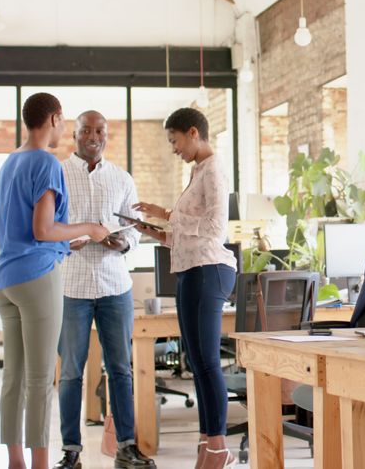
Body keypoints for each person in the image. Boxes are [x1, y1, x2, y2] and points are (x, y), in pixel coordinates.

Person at [0, 93, 110, 469]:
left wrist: (64, 242)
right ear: (56, 118)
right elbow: (42, 230)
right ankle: (41, 464)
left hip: (4, 280)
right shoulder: (46, 162)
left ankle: (15, 462)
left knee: (14, 375)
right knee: (41, 378)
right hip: (37, 278)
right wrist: (91, 227)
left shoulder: (10, 162)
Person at [134, 108, 238, 469]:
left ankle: (218, 448)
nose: (174, 149)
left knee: (208, 362)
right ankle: (209, 441)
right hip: (191, 270)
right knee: (197, 362)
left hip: (209, 270)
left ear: (193, 133)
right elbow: (187, 236)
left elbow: (214, 229)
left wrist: (166, 212)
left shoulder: (215, 169)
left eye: (174, 140)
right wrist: (153, 231)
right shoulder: (197, 171)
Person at [53, 111, 155, 469]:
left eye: (99, 131)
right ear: (75, 135)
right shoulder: (59, 174)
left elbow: (135, 230)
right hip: (71, 286)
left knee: (121, 369)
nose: (93, 136)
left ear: (106, 135)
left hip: (115, 286)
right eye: (86, 131)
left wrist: (122, 244)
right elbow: (50, 228)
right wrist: (70, 242)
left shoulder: (121, 179)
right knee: (70, 372)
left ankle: (126, 447)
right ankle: (71, 451)